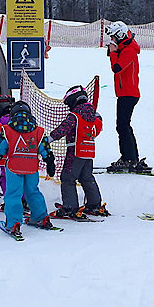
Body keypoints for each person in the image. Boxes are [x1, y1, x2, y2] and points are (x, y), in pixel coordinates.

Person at [0, 101, 56, 237]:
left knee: (13, 194)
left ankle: (13, 223)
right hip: (31, 167)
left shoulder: (7, 130)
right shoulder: (38, 131)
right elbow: (45, 149)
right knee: (33, 192)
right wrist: (49, 161)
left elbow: (0, 148)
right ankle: (40, 216)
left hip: (14, 168)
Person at [48, 85, 109, 218]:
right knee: (86, 177)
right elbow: (98, 127)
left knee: (68, 178)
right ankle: (94, 204)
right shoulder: (93, 116)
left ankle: (70, 207)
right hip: (89, 151)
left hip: (75, 151)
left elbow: (63, 129)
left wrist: (49, 138)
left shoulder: (74, 115)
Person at [104, 21, 150, 174]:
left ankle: (128, 158)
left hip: (128, 94)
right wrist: (115, 51)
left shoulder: (129, 51)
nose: (112, 40)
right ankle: (130, 156)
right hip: (125, 93)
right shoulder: (125, 48)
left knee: (123, 126)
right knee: (123, 126)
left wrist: (113, 52)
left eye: (113, 37)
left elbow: (116, 68)